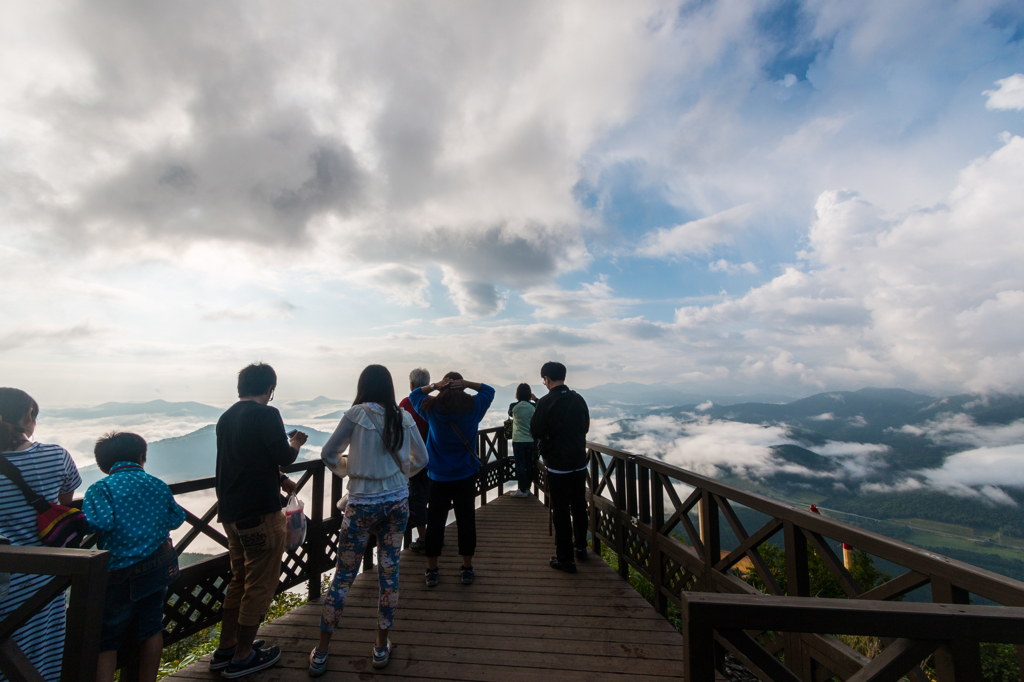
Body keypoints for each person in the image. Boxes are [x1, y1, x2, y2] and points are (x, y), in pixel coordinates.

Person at [313, 365, 428, 674]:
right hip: (396, 505)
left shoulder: (356, 415)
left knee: (342, 578)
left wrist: (350, 468)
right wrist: (401, 475)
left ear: (363, 386)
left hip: (361, 506)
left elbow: (328, 453)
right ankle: (380, 647)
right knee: (389, 575)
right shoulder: (402, 417)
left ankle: (322, 651)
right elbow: (424, 458)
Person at [212, 363, 308, 679]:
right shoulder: (267, 414)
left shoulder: (227, 417)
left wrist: (279, 480)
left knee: (240, 579)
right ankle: (243, 657)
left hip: (231, 513)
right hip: (260, 514)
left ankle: (227, 648)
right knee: (260, 583)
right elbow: (284, 454)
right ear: (270, 389)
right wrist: (296, 442)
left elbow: (245, 458)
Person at [83, 432, 187, 682]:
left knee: (106, 639)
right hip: (157, 569)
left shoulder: (102, 487)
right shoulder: (157, 484)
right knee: (152, 629)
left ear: (102, 464)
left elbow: (99, 522)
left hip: (119, 573)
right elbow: (176, 518)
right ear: (142, 457)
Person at [0, 388, 82, 682]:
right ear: (28, 416)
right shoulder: (55, 456)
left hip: (4, 580)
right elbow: (63, 507)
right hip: (45, 577)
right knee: (39, 660)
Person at [408, 373, 494, 588]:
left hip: (438, 476)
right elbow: (489, 391)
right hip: (466, 474)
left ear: (443, 387)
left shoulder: (431, 408)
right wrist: (467, 384)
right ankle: (466, 568)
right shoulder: (474, 408)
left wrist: (435, 386)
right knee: (466, 520)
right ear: (462, 387)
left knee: (435, 522)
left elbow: (414, 395)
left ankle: (432, 570)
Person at [530, 362, 590, 574]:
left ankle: (566, 559)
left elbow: (535, 430)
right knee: (579, 505)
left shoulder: (545, 402)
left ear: (546, 378)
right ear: (563, 376)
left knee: (562, 511)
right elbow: (586, 427)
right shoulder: (578, 399)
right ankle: (581, 546)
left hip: (557, 465)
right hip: (579, 462)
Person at [398, 368, 431, 552]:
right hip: (435, 457)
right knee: (435, 496)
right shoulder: (434, 402)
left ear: (412, 385)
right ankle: (436, 535)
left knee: (417, 498)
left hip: (414, 460)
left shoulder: (405, 403)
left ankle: (424, 538)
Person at [508, 383, 537, 498]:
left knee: (520, 464)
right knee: (529, 464)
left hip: (518, 440)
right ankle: (527, 489)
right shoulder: (534, 406)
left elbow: (510, 414)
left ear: (517, 393)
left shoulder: (513, 405)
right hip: (531, 440)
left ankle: (521, 489)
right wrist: (535, 399)